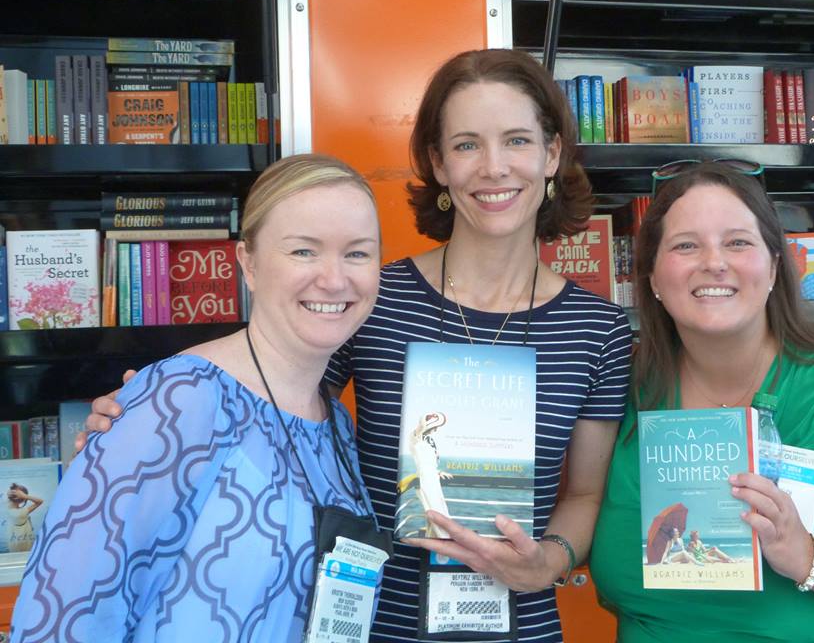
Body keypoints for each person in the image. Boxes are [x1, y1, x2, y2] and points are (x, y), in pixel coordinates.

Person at [80, 49, 633, 642]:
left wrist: (548, 561)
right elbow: (270, 405)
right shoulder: (369, 296)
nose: (493, 167)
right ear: (438, 163)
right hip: (368, 624)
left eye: (517, 141)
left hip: (520, 627)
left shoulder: (598, 329)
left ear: (551, 154)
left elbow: (584, 493)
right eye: (467, 144)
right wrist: (156, 416)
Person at [12, 155, 384, 642]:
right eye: (303, 251)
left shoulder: (335, 425)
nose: (334, 280)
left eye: (357, 253)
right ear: (248, 263)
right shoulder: (180, 400)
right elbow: (62, 615)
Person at [591, 159, 814, 642]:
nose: (714, 262)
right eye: (685, 245)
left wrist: (806, 555)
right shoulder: (618, 392)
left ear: (774, 268)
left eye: (738, 242)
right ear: (653, 278)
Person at [409, 412, 453, 537]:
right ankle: (446, 540)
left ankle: (436, 542)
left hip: (433, 479)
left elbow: (428, 462)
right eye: (435, 426)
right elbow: (418, 431)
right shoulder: (415, 438)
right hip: (425, 480)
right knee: (437, 515)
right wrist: (426, 421)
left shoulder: (429, 441)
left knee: (439, 513)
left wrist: (438, 472)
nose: (436, 429)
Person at [5, 484, 43, 553]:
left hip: (13, 541)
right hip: (24, 542)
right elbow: (40, 501)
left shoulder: (7, 509)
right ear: (23, 499)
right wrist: (25, 496)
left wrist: (11, 494)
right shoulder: (22, 512)